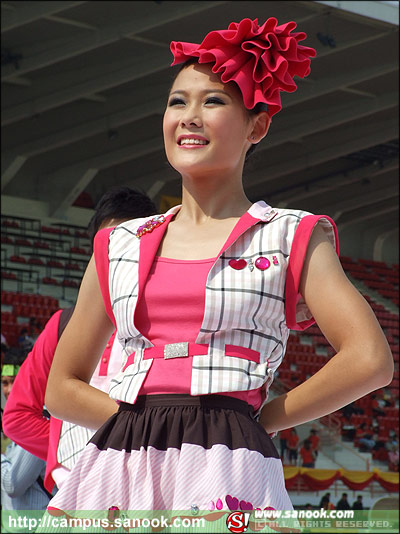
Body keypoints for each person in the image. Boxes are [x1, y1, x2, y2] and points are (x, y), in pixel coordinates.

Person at [44, 16, 393, 514]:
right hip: (119, 466)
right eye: (176, 101)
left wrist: (253, 421)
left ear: (259, 125)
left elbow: (369, 360)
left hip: (229, 464)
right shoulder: (119, 243)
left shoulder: (292, 234)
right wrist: (141, 424)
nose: (189, 115)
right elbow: (61, 388)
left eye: (212, 101)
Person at [2, 187, 157, 494]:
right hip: (81, 494)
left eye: (132, 242)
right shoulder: (64, 325)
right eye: (109, 244)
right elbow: (18, 416)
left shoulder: (177, 318)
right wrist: (79, 448)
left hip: (157, 485)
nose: (119, 254)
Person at [1, 350, 53, 510]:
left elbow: (13, 485)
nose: (9, 390)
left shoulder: (37, 420)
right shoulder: (16, 418)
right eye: (4, 382)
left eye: (14, 381)